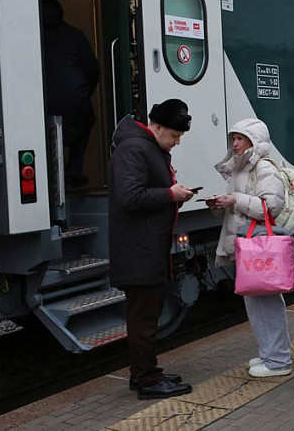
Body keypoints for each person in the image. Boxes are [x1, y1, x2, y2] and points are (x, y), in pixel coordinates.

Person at [108, 98, 194, 400]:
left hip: (145, 248)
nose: (176, 142)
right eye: (174, 136)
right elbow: (130, 197)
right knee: (143, 319)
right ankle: (147, 380)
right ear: (156, 127)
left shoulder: (146, 148)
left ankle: (144, 373)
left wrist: (172, 194)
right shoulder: (134, 149)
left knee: (146, 315)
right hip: (139, 251)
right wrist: (170, 194)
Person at [207, 119, 292, 378]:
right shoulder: (241, 168)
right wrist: (221, 205)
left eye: (240, 138)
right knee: (257, 303)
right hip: (249, 246)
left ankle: (278, 361)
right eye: (233, 138)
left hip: (258, 247)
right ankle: (270, 354)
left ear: (254, 140)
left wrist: (235, 199)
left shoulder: (263, 167)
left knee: (265, 303)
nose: (234, 144)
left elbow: (270, 207)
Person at [42, 0, 99, 188]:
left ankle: (51, 177)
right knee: (84, 125)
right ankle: (74, 171)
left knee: (48, 135)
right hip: (75, 96)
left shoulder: (35, 36)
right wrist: (87, 90)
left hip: (45, 98)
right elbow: (92, 68)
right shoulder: (74, 35)